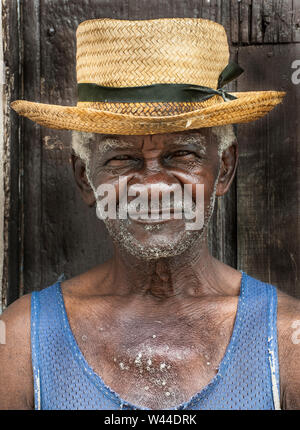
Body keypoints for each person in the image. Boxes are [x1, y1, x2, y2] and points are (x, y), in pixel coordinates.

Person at [1, 17, 299, 410]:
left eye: (183, 155)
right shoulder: (22, 341)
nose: (153, 185)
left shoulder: (286, 342)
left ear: (224, 168)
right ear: (85, 178)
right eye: (123, 159)